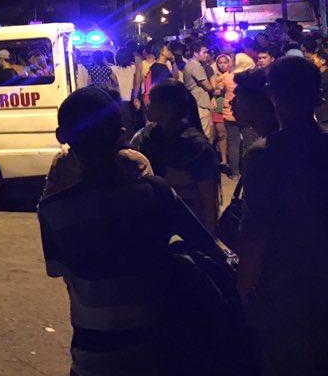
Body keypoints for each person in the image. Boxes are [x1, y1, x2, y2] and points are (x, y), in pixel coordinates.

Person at [38, 88, 230, 376]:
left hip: (92, 355)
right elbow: (206, 247)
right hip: (159, 349)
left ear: (61, 137)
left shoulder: (53, 211)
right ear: (122, 135)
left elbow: (59, 271)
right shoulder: (155, 192)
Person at [238, 56, 328, 375]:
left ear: (272, 94)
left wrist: (243, 289)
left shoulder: (264, 155)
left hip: (285, 288)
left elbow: (256, 233)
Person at [135, 82, 220, 234]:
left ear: (168, 108)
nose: (147, 105)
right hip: (159, 222)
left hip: (189, 225)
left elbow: (208, 199)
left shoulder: (195, 146)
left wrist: (210, 235)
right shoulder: (149, 138)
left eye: (153, 101)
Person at [182, 44, 216, 143]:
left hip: (195, 103)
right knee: (206, 135)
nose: (206, 55)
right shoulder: (195, 66)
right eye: (204, 52)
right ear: (196, 53)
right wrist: (216, 90)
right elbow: (208, 86)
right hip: (200, 104)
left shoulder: (190, 64)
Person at [212, 53, 236, 174]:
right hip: (218, 105)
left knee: (231, 135)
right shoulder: (214, 76)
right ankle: (223, 160)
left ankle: (231, 160)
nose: (222, 65)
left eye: (225, 62)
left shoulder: (233, 75)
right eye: (220, 63)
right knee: (221, 134)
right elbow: (214, 92)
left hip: (228, 107)